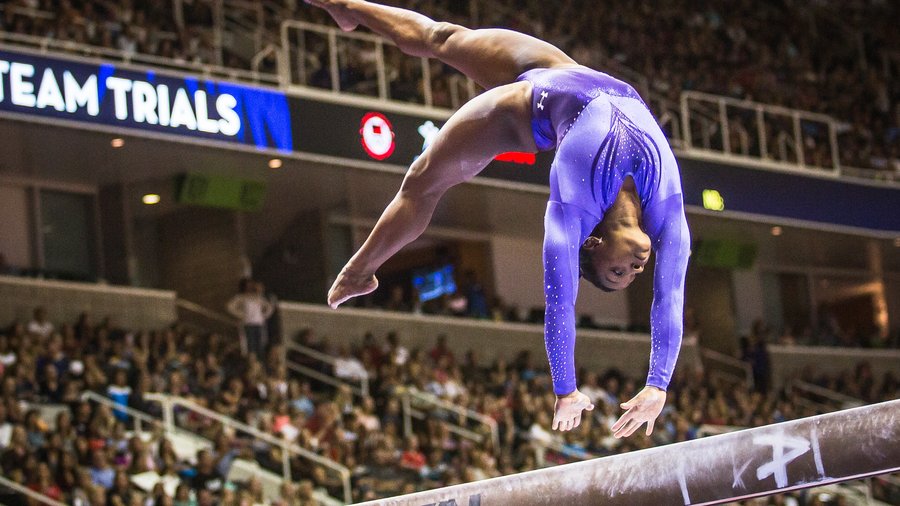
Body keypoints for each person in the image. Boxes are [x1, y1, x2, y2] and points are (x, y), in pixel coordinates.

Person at [311, 0, 690, 436]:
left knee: (422, 180)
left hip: (527, 110)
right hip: (568, 72)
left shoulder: (576, 205)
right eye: (630, 273)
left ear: (594, 243)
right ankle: (344, 6)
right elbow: (669, 296)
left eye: (619, 271)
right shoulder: (667, 209)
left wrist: (565, 388)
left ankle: (360, 269)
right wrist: (658, 384)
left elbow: (560, 301)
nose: (639, 268)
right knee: (441, 37)